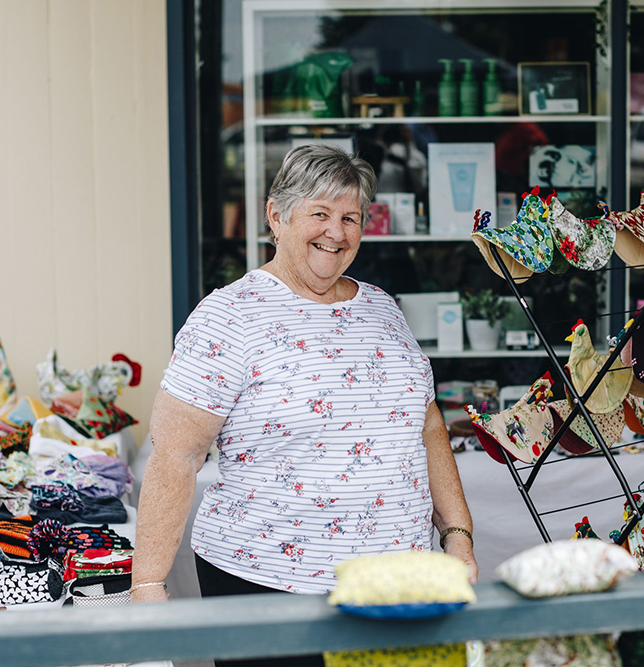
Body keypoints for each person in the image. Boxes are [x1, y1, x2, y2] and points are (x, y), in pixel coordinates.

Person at [132, 144, 477, 667]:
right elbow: (174, 456)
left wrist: (457, 534)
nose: (335, 233)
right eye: (319, 214)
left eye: (350, 218)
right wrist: (149, 585)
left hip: (395, 586)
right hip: (268, 582)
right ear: (277, 215)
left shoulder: (382, 307)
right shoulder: (228, 317)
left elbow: (427, 427)